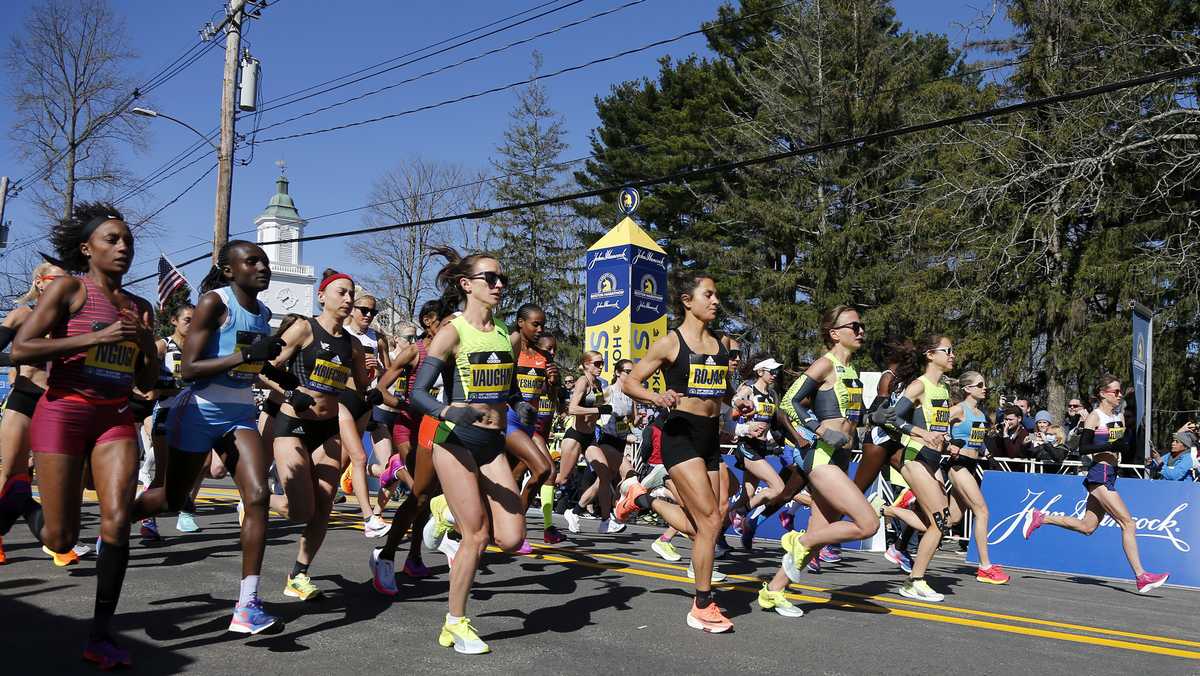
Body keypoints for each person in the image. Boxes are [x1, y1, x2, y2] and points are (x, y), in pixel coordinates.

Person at [12, 203, 158, 668]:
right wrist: (95, 338)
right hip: (64, 411)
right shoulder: (70, 289)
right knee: (61, 539)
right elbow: (22, 348)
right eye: (112, 239)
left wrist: (144, 343)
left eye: (128, 240)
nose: (123, 247)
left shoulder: (140, 308)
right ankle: (21, 499)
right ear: (87, 248)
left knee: (117, 522)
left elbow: (145, 376)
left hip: (114, 416)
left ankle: (101, 635)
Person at [130, 240, 282, 634]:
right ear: (229, 271)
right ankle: (117, 522)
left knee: (258, 496)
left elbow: (254, 366)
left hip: (240, 413)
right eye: (252, 262)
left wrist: (286, 381)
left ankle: (247, 604)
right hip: (198, 411)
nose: (262, 268)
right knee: (171, 498)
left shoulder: (264, 313)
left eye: (265, 262)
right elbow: (191, 368)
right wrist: (247, 356)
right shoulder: (216, 303)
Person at [384, 246, 525, 654]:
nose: (499, 285)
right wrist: (450, 411)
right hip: (455, 442)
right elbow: (418, 394)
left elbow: (507, 386)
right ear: (466, 285)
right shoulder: (453, 331)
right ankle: (455, 623)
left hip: (492, 445)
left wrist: (520, 403)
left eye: (502, 279)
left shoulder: (505, 333)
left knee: (512, 538)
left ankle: (443, 510)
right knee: (477, 535)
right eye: (490, 278)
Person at [613, 272, 746, 633]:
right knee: (708, 521)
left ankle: (643, 499)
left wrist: (736, 402)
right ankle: (702, 605)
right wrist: (657, 397)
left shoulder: (721, 343)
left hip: (709, 437)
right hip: (680, 434)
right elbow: (631, 382)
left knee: (711, 523)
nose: (715, 301)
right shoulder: (670, 343)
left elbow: (721, 386)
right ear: (688, 301)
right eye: (708, 294)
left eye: (716, 295)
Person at [264, 269, 372, 601]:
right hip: (293, 425)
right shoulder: (303, 329)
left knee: (324, 507)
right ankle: (257, 498)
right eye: (342, 292)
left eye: (351, 293)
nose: (348, 299)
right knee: (300, 511)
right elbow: (263, 368)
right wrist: (289, 392)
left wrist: (371, 378)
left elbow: (361, 388)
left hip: (328, 428)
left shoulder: (353, 345)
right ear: (322, 296)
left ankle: (299, 574)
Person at [1023, 374, 1170, 593]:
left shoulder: (1118, 416)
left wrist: (1124, 445)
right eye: (1115, 392)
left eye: (1120, 392)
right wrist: (1112, 446)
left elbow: (1121, 444)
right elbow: (1083, 448)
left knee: (1087, 527)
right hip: (1099, 474)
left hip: (1111, 473)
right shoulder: (1095, 417)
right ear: (1103, 393)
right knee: (1128, 524)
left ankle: (1041, 517)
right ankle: (1142, 576)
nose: (1119, 395)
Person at [370, 299, 453, 586]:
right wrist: (405, 404)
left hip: (438, 428)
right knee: (420, 494)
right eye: (447, 322)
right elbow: (382, 388)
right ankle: (387, 556)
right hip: (409, 428)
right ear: (429, 321)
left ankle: (414, 558)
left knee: (427, 497)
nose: (453, 328)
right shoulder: (414, 352)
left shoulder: (455, 351)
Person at [883, 334, 959, 602]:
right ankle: (915, 581)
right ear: (930, 354)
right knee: (938, 523)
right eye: (947, 350)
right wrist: (921, 434)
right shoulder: (919, 385)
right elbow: (890, 418)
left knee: (945, 521)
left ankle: (887, 512)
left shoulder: (944, 389)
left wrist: (947, 442)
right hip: (915, 458)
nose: (952, 355)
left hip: (933, 460)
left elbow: (936, 427)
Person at [0, 259, 67, 565]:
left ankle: (56, 538)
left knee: (53, 478)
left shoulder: (70, 321)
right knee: (8, 472)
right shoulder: (23, 315)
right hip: (25, 400)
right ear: (40, 282)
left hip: (57, 403)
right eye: (57, 280)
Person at [946, 371, 1010, 584]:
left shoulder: (980, 415)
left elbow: (977, 441)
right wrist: (949, 443)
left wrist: (989, 455)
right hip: (958, 466)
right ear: (967, 389)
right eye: (980, 385)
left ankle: (895, 511)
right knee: (982, 511)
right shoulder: (958, 409)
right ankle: (985, 567)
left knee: (951, 519)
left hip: (972, 466)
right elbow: (934, 426)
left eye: (984, 385)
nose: (985, 388)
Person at [336, 292, 391, 538]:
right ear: (352, 309)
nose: (368, 315)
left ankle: (319, 496)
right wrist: (355, 366)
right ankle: (369, 517)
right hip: (344, 398)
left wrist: (378, 369)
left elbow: (389, 371)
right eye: (364, 310)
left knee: (344, 459)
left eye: (373, 311)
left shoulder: (378, 338)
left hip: (366, 400)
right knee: (357, 456)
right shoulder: (342, 333)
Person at [504, 303, 555, 551]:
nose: (540, 329)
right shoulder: (510, 349)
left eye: (542, 325)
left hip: (529, 424)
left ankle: (510, 528)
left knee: (515, 477)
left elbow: (553, 398)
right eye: (535, 324)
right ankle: (516, 529)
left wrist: (553, 384)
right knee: (543, 468)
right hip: (508, 418)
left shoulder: (544, 357)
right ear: (520, 323)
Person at [558, 351, 622, 534]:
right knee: (562, 479)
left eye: (602, 363)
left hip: (590, 437)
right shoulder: (582, 381)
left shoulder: (598, 384)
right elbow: (572, 408)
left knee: (605, 474)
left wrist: (605, 409)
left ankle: (605, 520)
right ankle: (535, 484)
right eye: (597, 363)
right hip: (575, 436)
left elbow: (599, 409)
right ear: (586, 364)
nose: (600, 366)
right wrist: (598, 410)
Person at [728, 356, 786, 551]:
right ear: (760, 372)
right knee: (778, 488)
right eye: (771, 371)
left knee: (748, 494)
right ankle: (741, 512)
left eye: (777, 371)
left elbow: (774, 422)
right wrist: (741, 405)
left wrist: (776, 441)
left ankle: (718, 531)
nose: (775, 375)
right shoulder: (749, 389)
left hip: (761, 447)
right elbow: (734, 403)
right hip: (747, 445)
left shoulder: (772, 394)